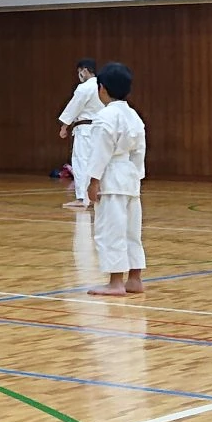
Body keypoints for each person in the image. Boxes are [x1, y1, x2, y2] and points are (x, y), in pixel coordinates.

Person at [85, 63, 148, 296]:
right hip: (130, 176)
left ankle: (115, 282)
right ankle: (135, 278)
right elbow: (140, 151)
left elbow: (100, 152)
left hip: (111, 177)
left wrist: (93, 180)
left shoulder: (105, 117)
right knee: (132, 230)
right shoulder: (133, 115)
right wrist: (137, 176)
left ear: (102, 89)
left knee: (110, 230)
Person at [57, 57, 103, 209]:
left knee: (81, 162)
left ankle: (83, 197)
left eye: (79, 71)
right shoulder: (102, 86)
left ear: (84, 70)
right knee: (97, 162)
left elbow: (74, 107)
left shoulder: (85, 87)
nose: (79, 75)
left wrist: (64, 126)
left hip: (84, 130)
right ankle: (96, 194)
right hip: (100, 129)